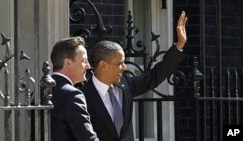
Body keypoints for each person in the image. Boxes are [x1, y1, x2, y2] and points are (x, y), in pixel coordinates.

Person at [80, 11, 188, 141]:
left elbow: (154, 76)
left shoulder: (126, 83)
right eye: (119, 63)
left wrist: (179, 46)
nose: (124, 67)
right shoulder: (82, 94)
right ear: (103, 65)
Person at [50, 37, 99, 141]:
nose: (88, 66)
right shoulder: (72, 95)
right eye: (84, 61)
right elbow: (87, 138)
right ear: (67, 63)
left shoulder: (39, 91)